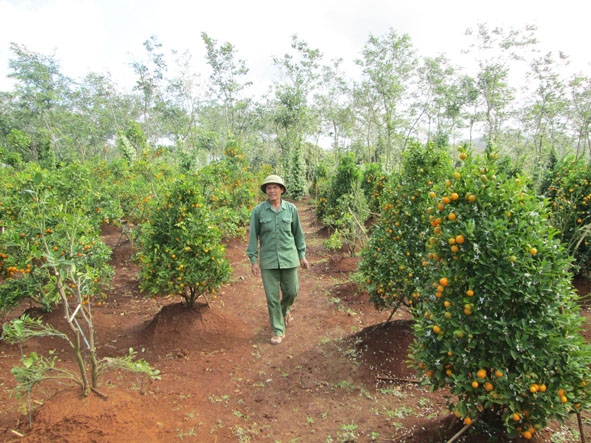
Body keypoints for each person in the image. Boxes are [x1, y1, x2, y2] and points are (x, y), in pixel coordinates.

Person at [247, 174, 309, 345]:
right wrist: (253, 260)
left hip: (289, 258)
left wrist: (302, 256)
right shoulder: (258, 211)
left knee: (292, 291)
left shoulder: (291, 210)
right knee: (272, 297)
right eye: (268, 188)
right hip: (268, 261)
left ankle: (285, 309)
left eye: (275, 187)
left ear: (281, 190)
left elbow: (298, 234)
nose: (272, 190)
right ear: (265, 191)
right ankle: (278, 330)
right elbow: (253, 237)